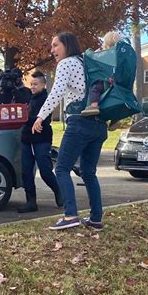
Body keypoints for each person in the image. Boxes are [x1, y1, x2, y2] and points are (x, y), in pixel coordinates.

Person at [33, 31, 107, 231]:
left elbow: (56, 92)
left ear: (67, 45)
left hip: (79, 123)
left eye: (56, 45)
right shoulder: (87, 64)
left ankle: (70, 215)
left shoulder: (66, 64)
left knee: (62, 168)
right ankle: (96, 219)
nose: (52, 50)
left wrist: (41, 116)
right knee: (89, 172)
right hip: (99, 124)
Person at [18, 71, 63, 213]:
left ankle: (59, 192)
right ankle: (31, 202)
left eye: (35, 84)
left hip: (41, 139)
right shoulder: (29, 98)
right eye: (31, 84)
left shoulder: (47, 100)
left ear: (43, 85)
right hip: (26, 139)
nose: (32, 87)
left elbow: (38, 117)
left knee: (45, 171)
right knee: (26, 172)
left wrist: (26, 117)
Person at [81, 31, 122, 117]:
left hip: (104, 81)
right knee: (110, 99)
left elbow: (92, 56)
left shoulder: (104, 54)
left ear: (105, 43)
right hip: (116, 83)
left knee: (95, 89)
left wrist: (88, 52)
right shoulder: (119, 54)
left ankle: (94, 106)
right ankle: (115, 117)